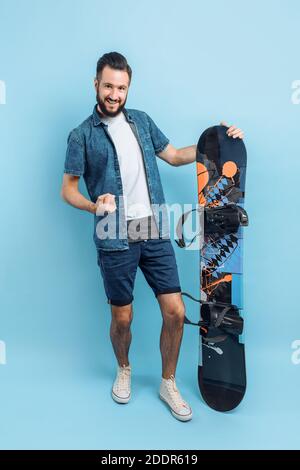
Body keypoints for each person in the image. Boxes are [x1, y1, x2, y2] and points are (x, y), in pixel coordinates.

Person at [60, 52, 244, 422]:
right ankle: (124, 368)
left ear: (128, 87)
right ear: (96, 84)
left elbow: (175, 156)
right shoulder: (81, 135)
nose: (114, 94)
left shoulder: (141, 122)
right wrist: (94, 206)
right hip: (113, 234)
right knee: (123, 319)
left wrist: (220, 141)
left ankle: (168, 382)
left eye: (121, 87)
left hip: (154, 228)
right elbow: (68, 189)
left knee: (175, 311)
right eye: (108, 86)